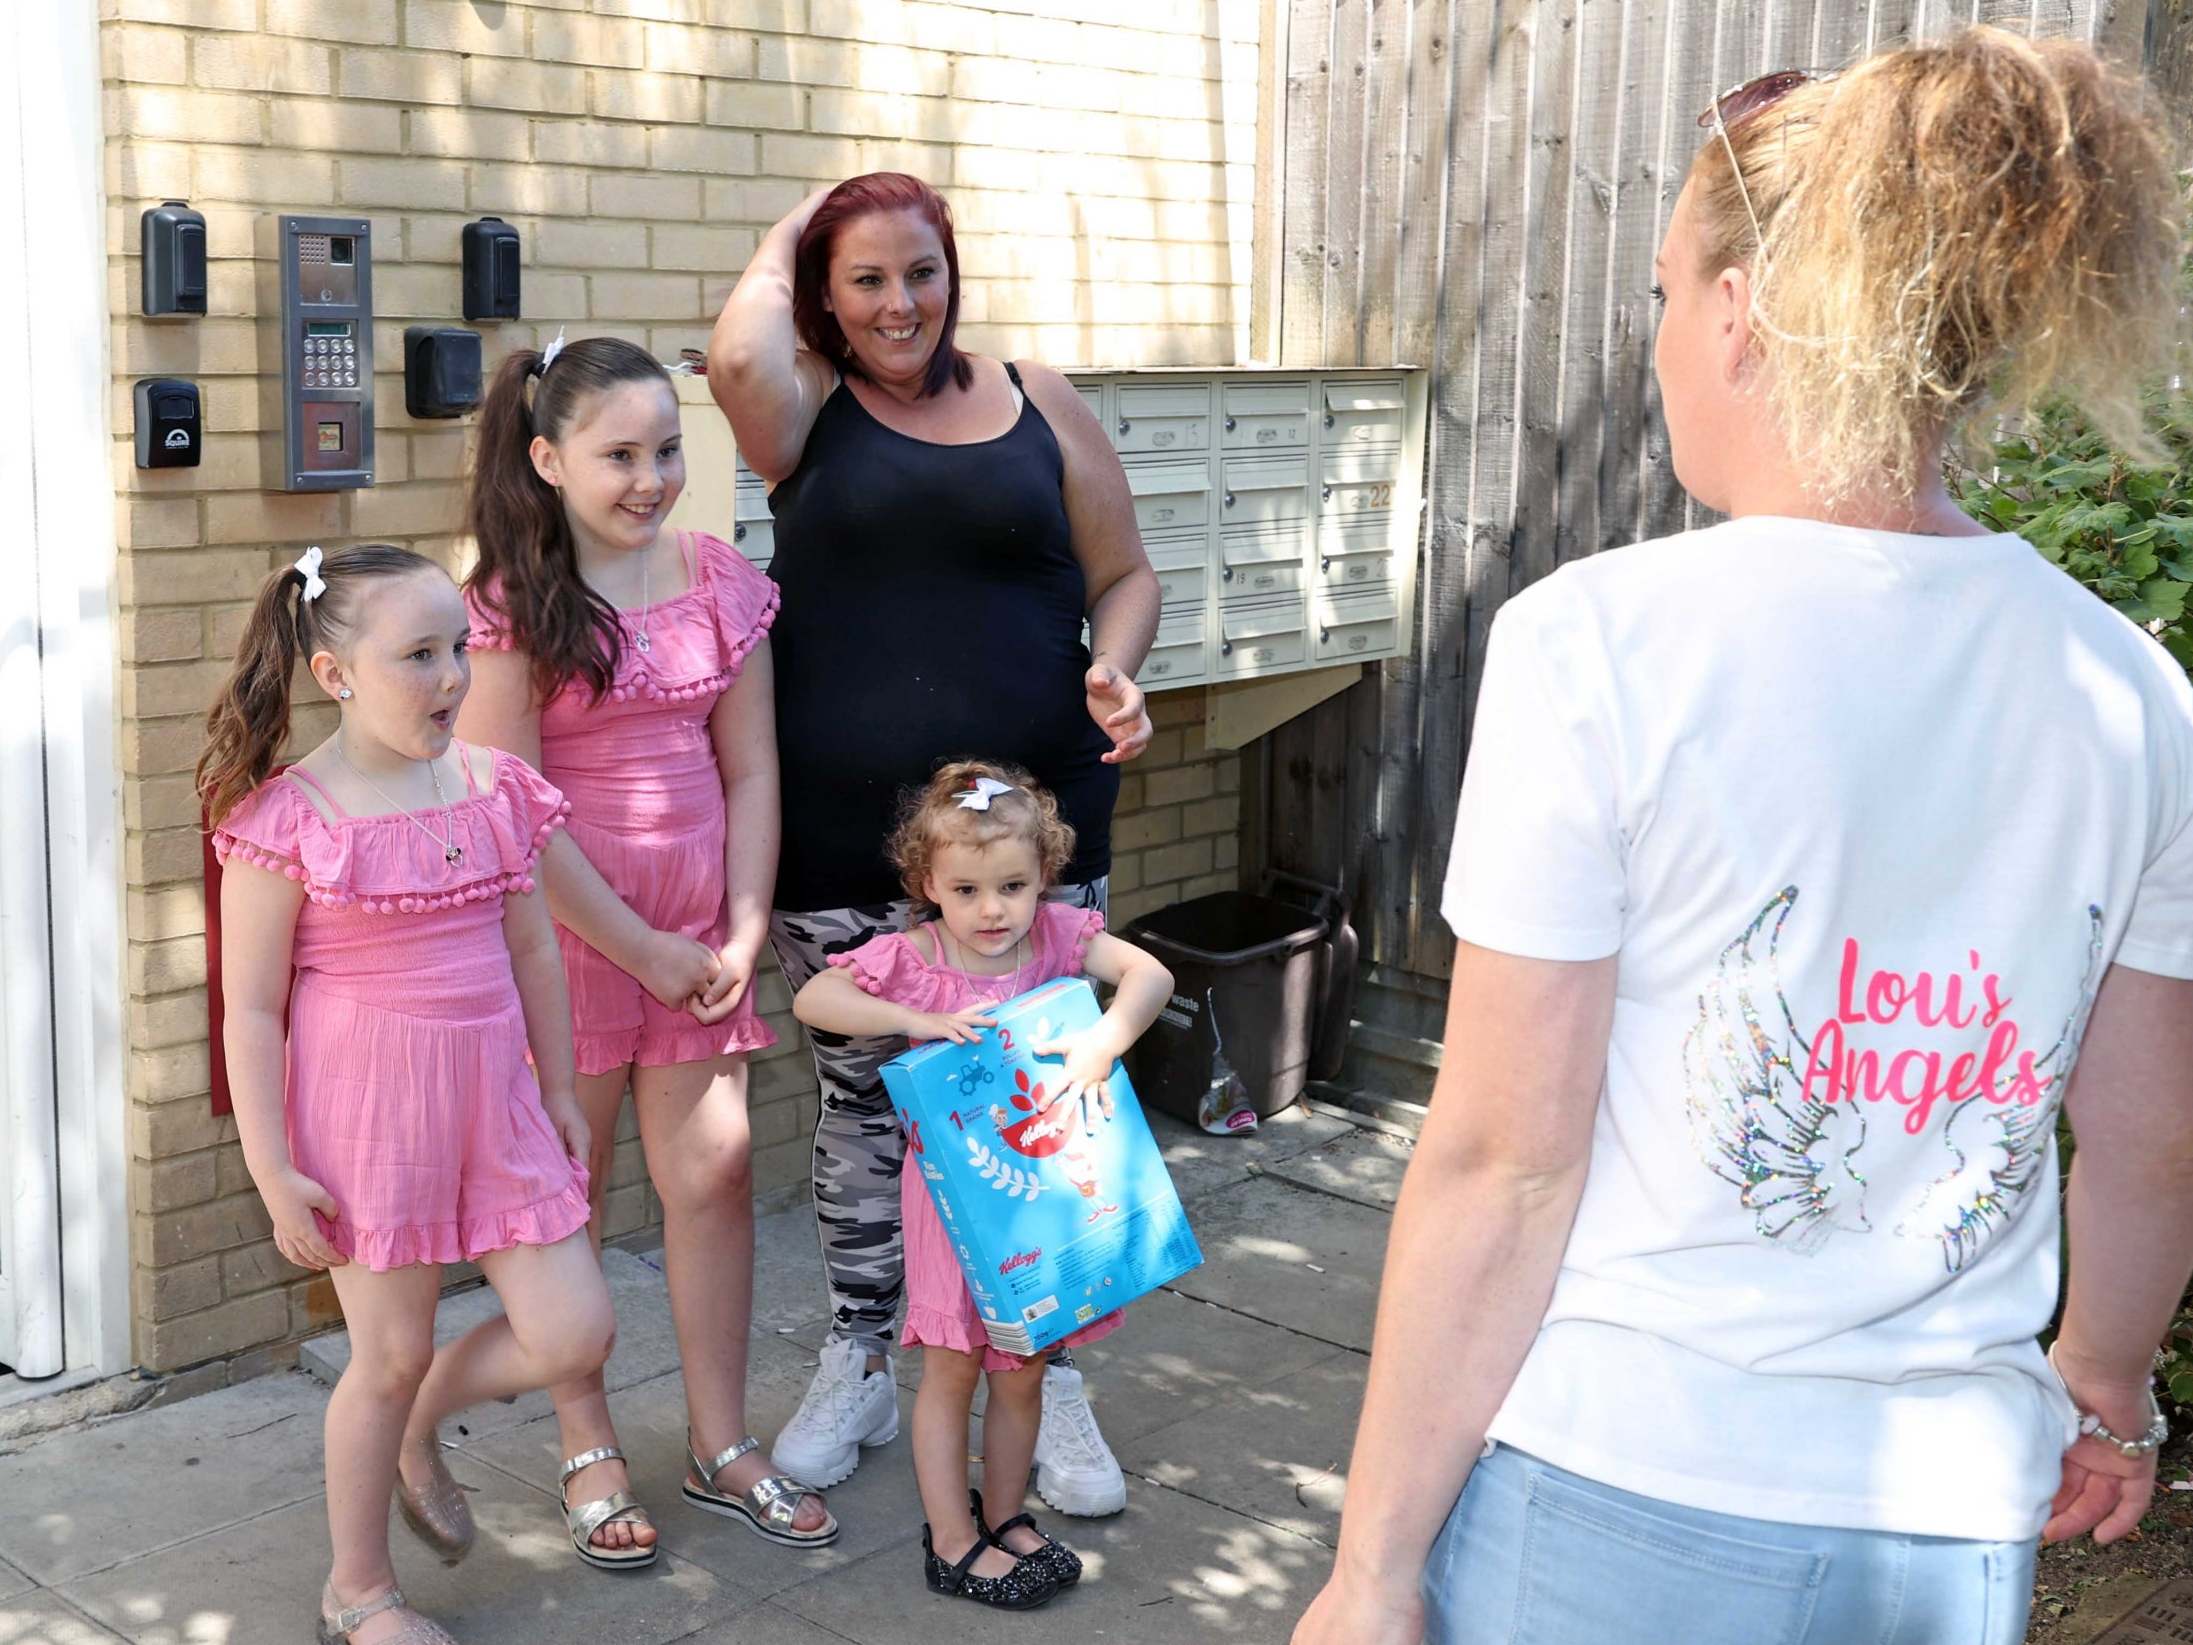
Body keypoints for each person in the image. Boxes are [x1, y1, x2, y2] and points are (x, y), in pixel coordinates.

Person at [1295, 27, 2191, 1645]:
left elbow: (1502, 1163)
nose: (1651, 345)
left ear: (1735, 312)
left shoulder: (1604, 644)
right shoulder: (2127, 693)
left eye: (1654, 299)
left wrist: (1369, 1569)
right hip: (1935, 1539)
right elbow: (2145, 1142)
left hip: (1613, 1491)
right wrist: (2105, 1383)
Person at [706, 171, 1161, 1514]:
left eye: (921, 271)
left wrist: (1118, 673)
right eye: (864, 279)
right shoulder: (805, 418)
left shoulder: (1039, 398)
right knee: (867, 1107)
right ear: (821, 297)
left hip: (1022, 847)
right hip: (847, 839)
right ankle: (859, 1352)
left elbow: (1123, 573)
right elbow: (737, 351)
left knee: (1042, 1098)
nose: (900, 303)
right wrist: (810, 211)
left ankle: (1051, 1366)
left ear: (955, 276)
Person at [457, 334, 832, 1565]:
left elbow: (754, 763)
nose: (651, 477)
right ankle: (587, 1442)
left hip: (698, 938)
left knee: (714, 1175)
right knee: (572, 1191)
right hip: (570, 946)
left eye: (667, 448)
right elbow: (510, 809)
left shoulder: (718, 577)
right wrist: (637, 946)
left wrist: (736, 923)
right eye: (619, 454)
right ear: (549, 458)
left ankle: (719, 1440)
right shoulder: (512, 606)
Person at [202, 544, 611, 1644]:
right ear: (335, 675)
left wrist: (562, 1087)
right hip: (367, 1114)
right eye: (418, 655)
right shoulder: (289, 821)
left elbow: (533, 950)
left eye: (459, 649)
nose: (450, 678)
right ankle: (360, 1589)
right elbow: (250, 1010)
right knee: (380, 1355)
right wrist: (270, 1164)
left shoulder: (491, 785)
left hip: (497, 1100)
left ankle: (423, 1420)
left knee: (575, 1331)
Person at [792, 761, 1174, 1607]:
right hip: (953, 1209)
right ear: (928, 885)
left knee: (1026, 1363)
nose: (991, 909)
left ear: (1045, 877)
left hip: (1042, 1198)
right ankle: (952, 1538)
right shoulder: (913, 955)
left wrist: (1107, 1037)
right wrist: (911, 1017)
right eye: (966, 889)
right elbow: (815, 998)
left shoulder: (1059, 937)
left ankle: (1003, 1515)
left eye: (1012, 885)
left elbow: (1150, 976)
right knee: (954, 1367)